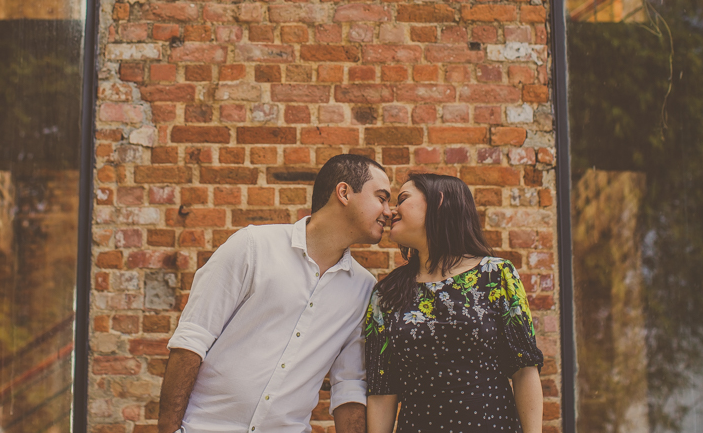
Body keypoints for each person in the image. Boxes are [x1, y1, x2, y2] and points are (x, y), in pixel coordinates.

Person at [158, 153, 393, 433]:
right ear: (344, 192)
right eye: (381, 197)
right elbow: (192, 340)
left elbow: (349, 385)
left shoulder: (363, 288)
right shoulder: (252, 247)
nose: (389, 211)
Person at [364, 173, 544, 433]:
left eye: (402, 199)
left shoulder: (497, 275)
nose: (391, 211)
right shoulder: (386, 294)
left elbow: (524, 369)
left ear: (439, 201)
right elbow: (382, 389)